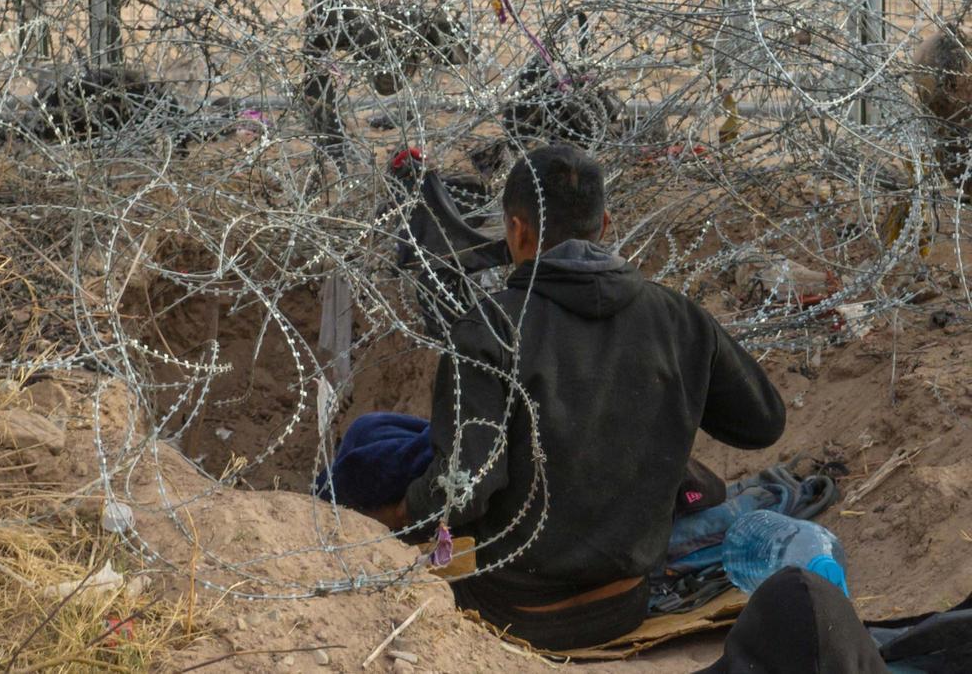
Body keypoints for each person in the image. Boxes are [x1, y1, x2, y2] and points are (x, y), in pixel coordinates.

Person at [324, 144, 786, 650]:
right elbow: (762, 422)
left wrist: (392, 517)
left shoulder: (491, 329)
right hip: (622, 604)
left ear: (516, 229)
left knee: (374, 448)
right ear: (604, 224)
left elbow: (466, 487)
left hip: (517, 608)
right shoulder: (677, 318)